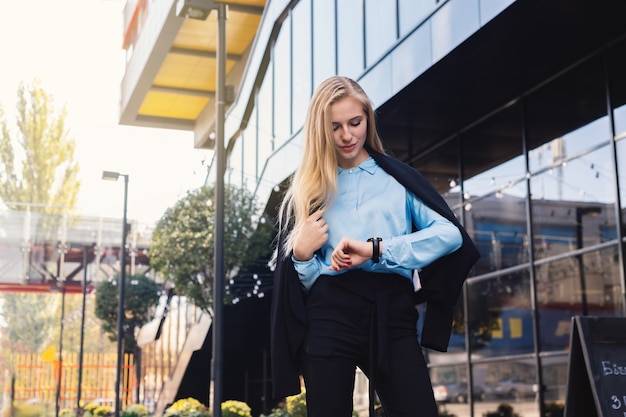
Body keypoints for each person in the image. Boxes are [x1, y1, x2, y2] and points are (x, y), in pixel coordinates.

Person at [270, 76, 480, 417]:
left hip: (391, 313)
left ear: (368, 118)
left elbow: (450, 235)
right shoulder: (309, 190)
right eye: (335, 126)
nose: (347, 135)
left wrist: (374, 249)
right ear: (321, 131)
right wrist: (303, 256)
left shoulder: (397, 180)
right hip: (329, 315)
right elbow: (304, 286)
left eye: (355, 122)